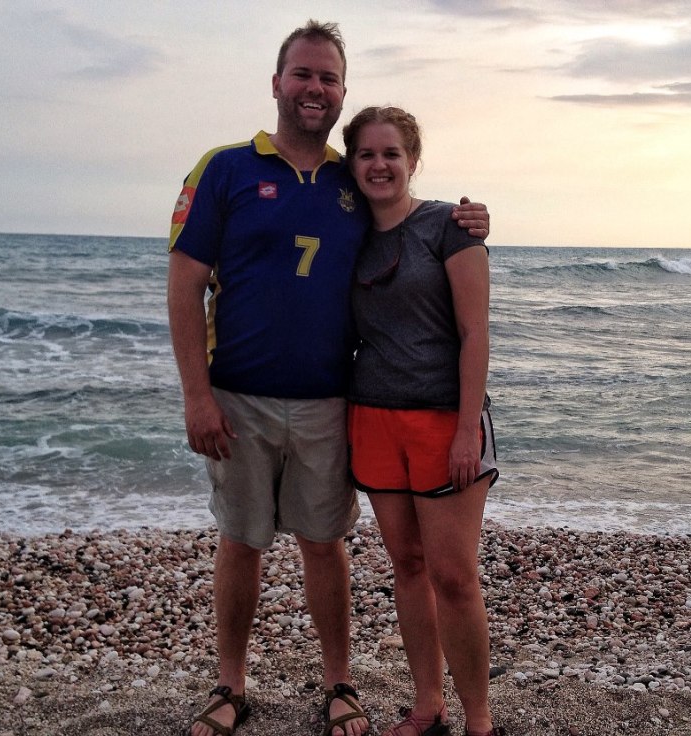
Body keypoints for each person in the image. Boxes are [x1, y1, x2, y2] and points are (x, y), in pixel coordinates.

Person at [167, 21, 490, 736]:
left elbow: (407, 213)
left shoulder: (350, 177)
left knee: (325, 544)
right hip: (238, 395)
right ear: (276, 83)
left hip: (329, 399)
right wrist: (196, 396)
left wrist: (471, 219)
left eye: (329, 78)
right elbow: (185, 284)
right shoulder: (222, 169)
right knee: (241, 540)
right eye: (303, 74)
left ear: (342, 91)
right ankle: (229, 685)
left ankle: (340, 684)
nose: (315, 89)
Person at [343, 106, 503, 736]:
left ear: (412, 160)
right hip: (374, 418)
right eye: (365, 155)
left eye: (391, 154)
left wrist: (468, 428)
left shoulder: (450, 227)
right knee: (406, 566)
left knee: (455, 576)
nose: (379, 165)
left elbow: (476, 332)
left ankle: (480, 719)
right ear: (351, 163)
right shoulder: (349, 233)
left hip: (443, 420)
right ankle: (427, 704)